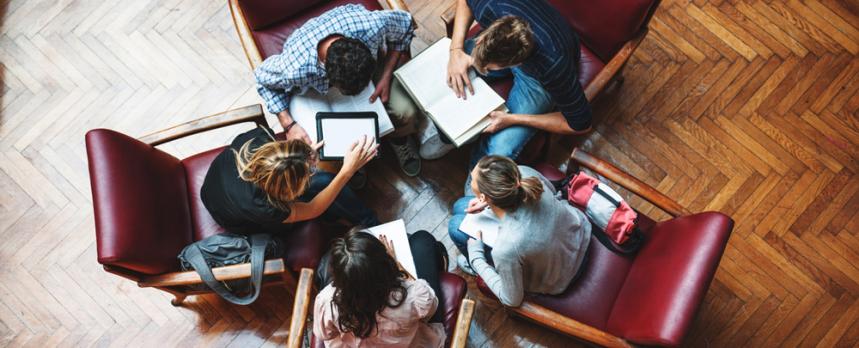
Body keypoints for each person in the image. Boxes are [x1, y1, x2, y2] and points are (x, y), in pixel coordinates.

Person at [255, 4, 441, 180]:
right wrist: (289, 125)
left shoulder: (371, 26)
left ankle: (399, 140)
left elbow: (405, 23)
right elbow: (262, 79)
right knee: (319, 145)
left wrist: (386, 75)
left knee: (405, 110)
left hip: (368, 67)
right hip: (311, 92)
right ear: (327, 77)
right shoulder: (294, 68)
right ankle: (349, 164)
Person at [444, 0, 593, 187]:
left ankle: (476, 185)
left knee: (500, 149)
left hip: (538, 80)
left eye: (487, 68)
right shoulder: (491, 6)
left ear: (515, 65)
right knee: (450, 76)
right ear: (482, 38)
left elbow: (581, 124)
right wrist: (456, 50)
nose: (481, 67)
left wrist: (514, 119)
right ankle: (447, 135)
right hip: (524, 42)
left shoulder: (554, 66)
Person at [447, 155, 591, 307]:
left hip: (561, 278)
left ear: (483, 197)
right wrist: (490, 204)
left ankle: (476, 267)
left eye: (472, 179)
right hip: (579, 231)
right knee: (460, 206)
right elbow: (553, 191)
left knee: (455, 227)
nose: (472, 179)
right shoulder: (525, 173)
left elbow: (512, 300)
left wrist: (476, 258)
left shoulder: (506, 248)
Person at [200, 125, 379, 235]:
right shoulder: (266, 207)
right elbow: (313, 209)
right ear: (287, 193)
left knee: (323, 183)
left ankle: (346, 216)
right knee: (322, 181)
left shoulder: (256, 140)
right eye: (307, 173)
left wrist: (302, 156)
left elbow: (282, 157)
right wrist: (347, 171)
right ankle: (371, 224)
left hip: (213, 187)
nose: (312, 169)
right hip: (234, 219)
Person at [314, 229, 449, 347]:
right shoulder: (411, 296)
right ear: (386, 266)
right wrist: (401, 269)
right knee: (422, 240)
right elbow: (430, 309)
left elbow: (324, 334)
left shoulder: (326, 301)